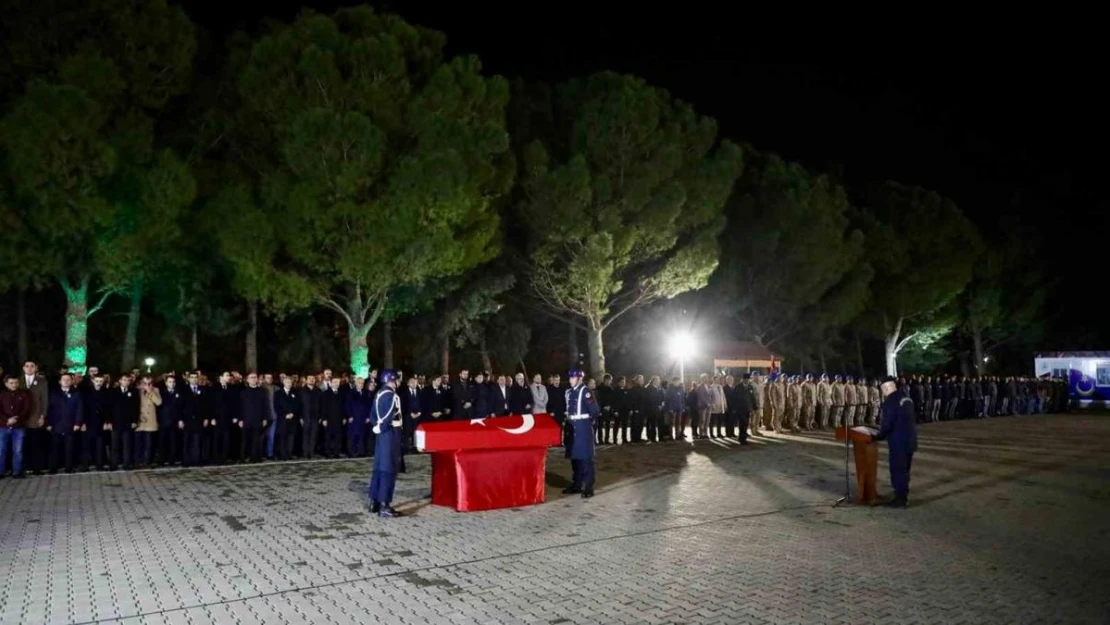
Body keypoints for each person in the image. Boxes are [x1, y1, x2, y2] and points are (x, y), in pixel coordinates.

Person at [872, 376, 918, 508]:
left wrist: (879, 435)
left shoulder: (890, 402)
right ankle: (903, 495)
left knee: (898, 470)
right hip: (910, 440)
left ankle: (900, 499)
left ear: (887, 387)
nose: (883, 392)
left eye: (883, 389)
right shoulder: (906, 398)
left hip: (898, 441)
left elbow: (888, 423)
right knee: (905, 470)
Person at [369, 370, 404, 517]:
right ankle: (385, 505)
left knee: (379, 467)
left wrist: (376, 426)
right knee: (388, 469)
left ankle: (374, 502)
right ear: (392, 380)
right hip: (390, 433)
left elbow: (373, 414)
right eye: (397, 379)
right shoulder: (392, 395)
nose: (399, 381)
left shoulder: (378, 393)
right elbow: (389, 414)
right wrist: (382, 427)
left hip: (381, 435)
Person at [562, 368, 600, 498]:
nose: (570, 380)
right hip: (571, 428)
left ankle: (589, 487)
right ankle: (577, 484)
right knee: (575, 458)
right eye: (570, 377)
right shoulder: (568, 392)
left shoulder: (586, 392)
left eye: (573, 378)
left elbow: (594, 411)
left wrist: (587, 423)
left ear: (579, 378)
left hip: (582, 428)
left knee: (586, 458)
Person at [1, 375, 32, 478]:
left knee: (18, 450)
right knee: (1, 450)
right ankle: (1, 472)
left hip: (19, 427)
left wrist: (17, 419)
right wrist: (7, 420)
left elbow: (27, 409)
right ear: (6, 384)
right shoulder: (2, 394)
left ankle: (17, 472)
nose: (14, 385)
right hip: (3, 426)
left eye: (16, 383)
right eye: (11, 383)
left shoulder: (24, 394)